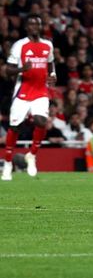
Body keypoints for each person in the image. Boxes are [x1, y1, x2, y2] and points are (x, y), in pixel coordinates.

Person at [2, 15, 55, 181]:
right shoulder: (19, 46)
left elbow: (50, 63)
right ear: (26, 27)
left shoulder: (48, 45)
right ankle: (9, 163)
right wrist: (21, 69)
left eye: (37, 24)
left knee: (41, 121)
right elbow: (7, 70)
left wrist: (53, 74)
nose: (34, 27)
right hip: (23, 91)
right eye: (31, 24)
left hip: (40, 91)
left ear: (40, 27)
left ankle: (32, 155)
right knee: (15, 127)